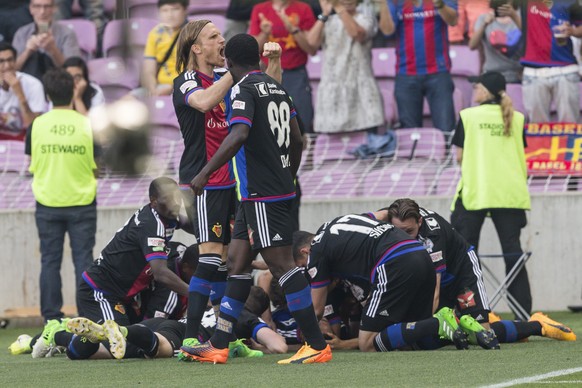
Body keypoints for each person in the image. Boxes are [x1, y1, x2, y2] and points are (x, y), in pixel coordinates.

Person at [180, 33, 331, 365]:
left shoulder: (242, 89)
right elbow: (297, 138)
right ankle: (219, 345)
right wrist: (288, 173)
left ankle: (317, 345)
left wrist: (205, 172)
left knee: (282, 266)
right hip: (261, 192)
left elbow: (239, 133)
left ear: (230, 63)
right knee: (237, 263)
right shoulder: (277, 87)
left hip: (262, 192)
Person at [172, 19, 282, 356]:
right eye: (214, 37)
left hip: (235, 182)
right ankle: (190, 337)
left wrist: (272, 63)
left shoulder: (227, 80)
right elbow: (204, 103)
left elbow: (267, 91)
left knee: (234, 262)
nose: (222, 41)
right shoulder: (189, 80)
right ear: (196, 47)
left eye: (222, 36)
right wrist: (237, 71)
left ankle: (227, 338)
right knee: (209, 258)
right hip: (204, 181)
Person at [292, 214, 497, 352]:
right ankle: (460, 326)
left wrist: (303, 332)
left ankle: (439, 323)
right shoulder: (340, 222)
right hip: (420, 254)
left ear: (305, 252)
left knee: (367, 343)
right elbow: (381, 214)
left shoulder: (316, 251)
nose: (307, 271)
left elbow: (317, 309)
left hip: (392, 262)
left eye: (303, 266)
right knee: (414, 341)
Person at [450, 71, 532, 321]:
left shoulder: (468, 116)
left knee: (464, 256)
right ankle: (522, 315)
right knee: (513, 254)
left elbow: (459, 157)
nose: (473, 90)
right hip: (510, 194)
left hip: (477, 192)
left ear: (485, 91)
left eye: (477, 87)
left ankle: (470, 313)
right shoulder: (517, 118)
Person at [24, 67, 96, 323]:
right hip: (83, 201)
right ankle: (87, 316)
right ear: (72, 90)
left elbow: (31, 160)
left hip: (47, 201)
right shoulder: (86, 123)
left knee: (50, 262)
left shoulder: (37, 125)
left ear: (47, 94)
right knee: (84, 261)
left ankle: (52, 319)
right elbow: (98, 162)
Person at [76, 177, 192, 327]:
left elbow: (193, 227)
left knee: (137, 338)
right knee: (120, 343)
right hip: (100, 291)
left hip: (123, 295)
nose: (175, 202)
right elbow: (160, 273)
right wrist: (195, 294)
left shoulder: (166, 214)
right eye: (169, 198)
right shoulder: (151, 225)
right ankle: (57, 335)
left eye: (177, 196)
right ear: (154, 201)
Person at [379, 0, 458, 133]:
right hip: (406, 73)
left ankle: (447, 154)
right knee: (410, 132)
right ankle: (415, 155)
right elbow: (387, 31)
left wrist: (440, 5)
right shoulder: (395, 2)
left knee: (446, 129)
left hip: (438, 72)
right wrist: (382, 4)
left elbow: (453, 21)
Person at [306, 0, 384, 134]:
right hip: (333, 90)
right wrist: (324, 14)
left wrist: (338, 7)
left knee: (367, 143)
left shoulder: (366, 18)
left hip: (361, 91)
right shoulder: (328, 20)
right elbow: (311, 42)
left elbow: (356, 33)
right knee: (334, 147)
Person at [249, 0, 317, 132]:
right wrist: (264, 33)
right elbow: (254, 49)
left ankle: (303, 150)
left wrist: (294, 30)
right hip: (268, 74)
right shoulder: (260, 9)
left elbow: (311, 49)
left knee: (302, 120)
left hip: (296, 73)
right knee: (267, 121)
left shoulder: (303, 9)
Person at [519, 0, 582, 123]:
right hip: (533, 71)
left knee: (569, 126)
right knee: (537, 129)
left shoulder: (569, 2)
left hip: (565, 69)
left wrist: (573, 31)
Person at [12, 0, 81, 80]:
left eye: (47, 6)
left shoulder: (67, 33)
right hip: (28, 84)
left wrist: (53, 50)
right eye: (37, 6)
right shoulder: (22, 33)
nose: (42, 12)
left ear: (54, 8)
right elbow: (12, 70)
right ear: (31, 9)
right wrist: (27, 51)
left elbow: (74, 70)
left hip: (58, 84)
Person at [141, 0, 188, 97]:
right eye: (165, 10)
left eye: (175, 9)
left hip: (186, 87)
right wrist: (152, 89)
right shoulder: (155, 33)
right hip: (159, 87)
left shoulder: (194, 32)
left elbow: (197, 70)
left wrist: (172, 87)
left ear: (185, 10)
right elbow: (149, 70)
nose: (170, 15)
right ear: (159, 13)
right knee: (127, 100)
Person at [0, 41, 46, 140]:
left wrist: (19, 93)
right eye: (1, 61)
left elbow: (34, 127)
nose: (7, 66)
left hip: (22, 143)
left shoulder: (34, 84)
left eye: (10, 60)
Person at [469, 0, 522, 83]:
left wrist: (514, 16)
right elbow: (472, 45)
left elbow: (531, 39)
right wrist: (484, 24)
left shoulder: (521, 16)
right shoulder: (484, 18)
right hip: (491, 74)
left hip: (516, 75)